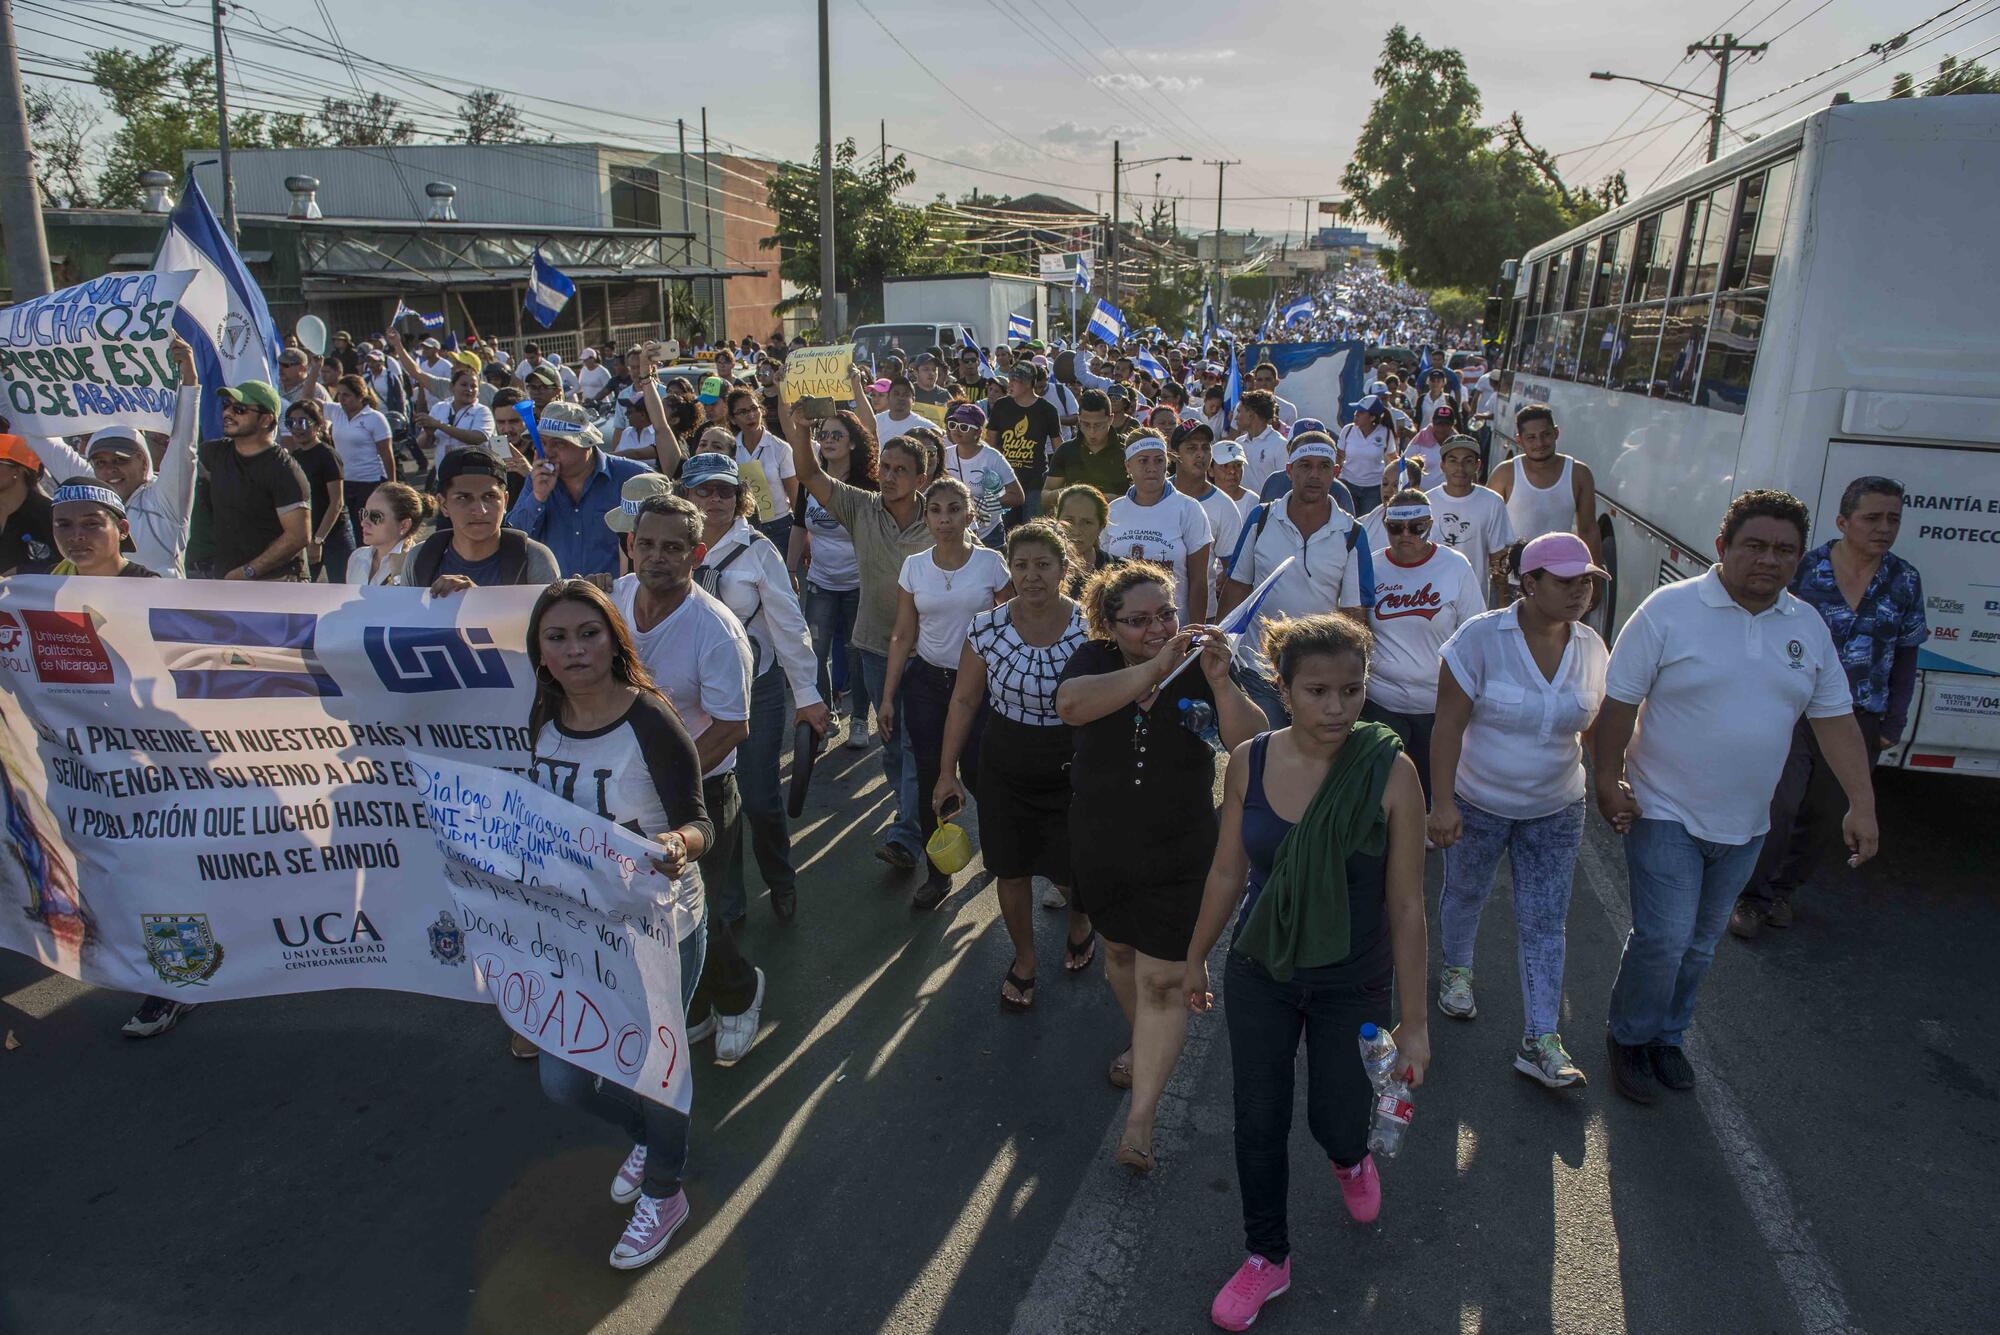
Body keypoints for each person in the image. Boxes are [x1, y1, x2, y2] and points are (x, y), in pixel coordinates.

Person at [1185, 614, 1429, 1332]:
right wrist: (1197, 952)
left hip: (1353, 981)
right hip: (1261, 966)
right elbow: (1230, 868)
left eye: (1352, 690)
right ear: (1283, 689)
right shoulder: (1251, 760)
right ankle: (1268, 1255)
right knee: (1257, 1117)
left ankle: (1351, 1157)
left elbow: (1410, 905)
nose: (1338, 708)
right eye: (1318, 690)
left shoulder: (1390, 770)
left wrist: (1413, 1024)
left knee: (1335, 1116)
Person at [1596, 490, 1879, 1105]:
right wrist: (1607, 779)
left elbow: (1834, 720)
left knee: (1700, 943)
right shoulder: (1668, 610)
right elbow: (1617, 703)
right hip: (1663, 807)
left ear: (1800, 560)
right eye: (1754, 545)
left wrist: (1863, 803)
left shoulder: (1807, 626)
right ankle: (1630, 1036)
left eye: (1784, 551)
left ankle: (1667, 1036)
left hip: (1747, 824)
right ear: (1722, 547)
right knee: (1665, 936)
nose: (1768, 560)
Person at [522, 578, 713, 1270]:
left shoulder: (649, 719)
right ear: (539, 650)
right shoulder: (542, 717)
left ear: (614, 640)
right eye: (557, 636)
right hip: (577, 928)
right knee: (564, 1078)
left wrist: (677, 846)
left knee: (653, 1067)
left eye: (589, 633)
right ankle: (649, 1138)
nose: (574, 649)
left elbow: (701, 820)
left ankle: (665, 1189)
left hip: (658, 925)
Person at [1056, 564, 1262, 1173]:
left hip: (1182, 851)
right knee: (1120, 959)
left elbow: (1255, 743)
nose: (1157, 628)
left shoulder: (1203, 662)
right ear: (1109, 624)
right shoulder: (1092, 660)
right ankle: (1146, 1042)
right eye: (1139, 621)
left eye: (1165, 615)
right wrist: (1153, 665)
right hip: (1102, 846)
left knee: (1164, 982)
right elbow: (1072, 707)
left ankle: (1140, 1120)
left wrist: (1223, 683)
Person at [1428, 535, 1609, 1088]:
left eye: (1587, 581)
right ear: (1528, 583)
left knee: (1545, 921)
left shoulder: (1593, 648)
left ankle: (1540, 1039)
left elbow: (1596, 729)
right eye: (1566, 580)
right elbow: (1448, 726)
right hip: (1477, 803)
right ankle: (1456, 971)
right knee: (1464, 891)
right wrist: (1440, 803)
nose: (1581, 590)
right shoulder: (1480, 639)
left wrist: (1611, 785)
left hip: (1556, 809)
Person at [608, 492, 770, 1067]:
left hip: (700, 792)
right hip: (629, 787)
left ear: (696, 554)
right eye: (646, 544)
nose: (656, 557)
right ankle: (695, 1006)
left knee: (702, 910)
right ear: (631, 546)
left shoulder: (716, 631)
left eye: (673, 548)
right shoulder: (617, 599)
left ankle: (741, 992)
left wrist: (667, 784)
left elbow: (732, 727)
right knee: (650, 909)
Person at [1730, 476, 1925, 939]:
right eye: (1871, 518)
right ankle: (1750, 898)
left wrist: (1893, 720)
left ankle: (1782, 891)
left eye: (1892, 519)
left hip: (1859, 718)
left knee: (1824, 816)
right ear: (1843, 522)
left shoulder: (1904, 580)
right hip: (1793, 711)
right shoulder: (1805, 570)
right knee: (1780, 805)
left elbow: (1906, 653)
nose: (1883, 528)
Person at [933, 520, 1097, 1006]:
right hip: (1003, 761)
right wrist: (945, 772)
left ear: (1064, 569)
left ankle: (1081, 919)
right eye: (1021, 565)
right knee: (1011, 867)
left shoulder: (1092, 628)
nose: (1031, 576)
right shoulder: (987, 627)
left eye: (1043, 565)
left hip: (1075, 763)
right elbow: (964, 702)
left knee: (1075, 867)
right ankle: (1025, 959)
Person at [784, 379, 937, 871]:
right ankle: (910, 815)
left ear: (921, 477)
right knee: (891, 744)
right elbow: (807, 472)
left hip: (929, 652)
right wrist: (801, 430)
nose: (889, 477)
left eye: (900, 471)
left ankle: (909, 835)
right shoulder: (860, 507)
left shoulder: (939, 521)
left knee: (912, 744)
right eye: (886, 468)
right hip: (874, 645)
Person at [678, 452, 827, 923]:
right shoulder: (671, 545)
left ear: (740, 497)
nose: (715, 499)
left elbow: (789, 625)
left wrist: (808, 696)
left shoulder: (759, 550)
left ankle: (781, 879)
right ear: (686, 496)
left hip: (753, 689)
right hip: (690, 695)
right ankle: (728, 902)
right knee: (711, 802)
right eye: (704, 490)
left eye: (725, 489)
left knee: (759, 799)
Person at [880, 477, 1012, 911]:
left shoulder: (992, 564)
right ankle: (938, 875)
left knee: (978, 772)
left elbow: (1012, 628)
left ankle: (997, 850)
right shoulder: (914, 567)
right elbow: (903, 634)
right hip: (927, 683)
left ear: (969, 515)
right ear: (926, 516)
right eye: (936, 510)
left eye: (954, 509)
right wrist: (888, 696)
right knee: (929, 773)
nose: (944, 519)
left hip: (982, 686)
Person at [1219, 435, 1371, 729]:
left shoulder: (1351, 533)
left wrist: (1353, 675)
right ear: (1289, 471)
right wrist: (1224, 647)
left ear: (1335, 473)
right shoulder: (1261, 518)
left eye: (1324, 466)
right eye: (1305, 465)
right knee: (1263, 755)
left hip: (1318, 674)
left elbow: (1353, 613)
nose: (1314, 475)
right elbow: (1237, 586)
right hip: (1258, 665)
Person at [30, 334, 200, 576]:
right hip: (96, 607)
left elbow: (185, 445)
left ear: (143, 460)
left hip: (159, 610)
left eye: (121, 460)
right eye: (100, 462)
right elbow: (38, 433)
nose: (110, 469)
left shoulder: (165, 499)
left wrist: (190, 382)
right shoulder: (92, 488)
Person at [1363, 488, 1486, 802]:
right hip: (1381, 701)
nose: (1406, 535)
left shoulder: (1455, 566)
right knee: (1385, 786)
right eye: (1395, 528)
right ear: (1385, 525)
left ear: (1430, 525)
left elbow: (1475, 633)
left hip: (1437, 705)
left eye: (1416, 527)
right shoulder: (1370, 566)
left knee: (1431, 786)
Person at [790, 408, 879, 747]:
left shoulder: (869, 485)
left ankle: (858, 719)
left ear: (853, 443)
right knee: (814, 651)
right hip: (820, 582)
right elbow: (800, 525)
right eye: (823, 434)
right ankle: (825, 717)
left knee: (856, 653)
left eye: (836, 435)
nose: (827, 440)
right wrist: (789, 568)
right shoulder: (810, 479)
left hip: (860, 584)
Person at [506, 402, 652, 579]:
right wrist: (538, 497)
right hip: (556, 598)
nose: (547, 452)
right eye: (542, 442)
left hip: (616, 598)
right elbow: (513, 539)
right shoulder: (538, 479)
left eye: (558, 444)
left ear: (586, 444)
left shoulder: (634, 476)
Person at [200, 380, 312, 582]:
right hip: (227, 581)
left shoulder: (285, 470)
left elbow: (299, 536)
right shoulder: (215, 454)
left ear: (266, 420)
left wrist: (248, 571)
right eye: (226, 405)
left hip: (277, 584)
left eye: (239, 409)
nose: (228, 413)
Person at [404, 452, 561, 593]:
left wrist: (479, 601)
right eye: (463, 498)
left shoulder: (533, 559)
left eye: (490, 497)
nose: (480, 510)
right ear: (443, 505)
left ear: (505, 501)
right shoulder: (420, 559)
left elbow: (550, 623)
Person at [1100, 431, 1213, 626]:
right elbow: (1103, 575)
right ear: (1128, 466)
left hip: (1172, 627)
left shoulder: (1188, 509)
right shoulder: (1113, 511)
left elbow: (1198, 582)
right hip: (1125, 628)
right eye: (1143, 461)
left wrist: (1194, 634)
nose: (1152, 468)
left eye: (1159, 461)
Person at [1490, 405, 1599, 562]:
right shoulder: (1504, 474)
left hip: (1560, 579)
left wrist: (1594, 581)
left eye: (1545, 434)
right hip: (1511, 580)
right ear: (1519, 440)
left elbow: (1589, 531)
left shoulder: (1579, 474)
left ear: (1556, 433)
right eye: (1531, 438)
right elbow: (1487, 527)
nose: (1540, 443)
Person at [1168, 422, 1242, 623]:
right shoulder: (1156, 494)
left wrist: (1220, 624)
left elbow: (1235, 573)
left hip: (1203, 617)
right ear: (1174, 454)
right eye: (1191, 448)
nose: (1200, 454)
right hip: (1153, 615)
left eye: (1205, 447)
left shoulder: (1224, 506)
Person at [1428, 436, 1514, 606]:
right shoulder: (1427, 502)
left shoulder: (1492, 502)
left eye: (1468, 461)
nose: (1460, 468)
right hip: (1432, 597)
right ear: (1442, 466)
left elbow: (1499, 557)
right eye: (1453, 461)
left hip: (1476, 599)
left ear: (1478, 465)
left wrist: (1503, 608)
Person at [279, 399, 350, 582]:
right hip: (307, 537)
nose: (296, 428)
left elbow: (337, 502)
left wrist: (318, 540)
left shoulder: (327, 455)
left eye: (302, 422)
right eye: (291, 423)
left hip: (333, 537)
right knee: (304, 592)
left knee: (340, 590)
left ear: (318, 425)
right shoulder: (294, 457)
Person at [985, 362, 1063, 527]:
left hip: (1035, 482)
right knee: (1004, 530)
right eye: (1010, 378)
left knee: (1032, 529)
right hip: (1005, 482)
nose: (1011, 383)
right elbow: (990, 441)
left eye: (1016, 380)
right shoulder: (1001, 405)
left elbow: (1058, 445)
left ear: (1029, 384)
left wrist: (1059, 476)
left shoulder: (1047, 410)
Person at [40, 479, 160, 577]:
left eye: (91, 524)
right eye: (64, 525)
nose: (76, 536)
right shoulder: (46, 582)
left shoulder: (151, 590)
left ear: (122, 530)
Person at [941, 401, 1022, 547]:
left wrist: (985, 502)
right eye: (953, 425)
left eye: (964, 427)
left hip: (989, 533)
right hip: (955, 531)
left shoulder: (993, 458)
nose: (956, 430)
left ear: (978, 432)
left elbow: (1017, 496)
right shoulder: (945, 455)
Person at [727, 386, 798, 547]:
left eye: (754, 409)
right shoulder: (730, 449)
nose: (751, 415)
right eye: (743, 412)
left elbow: (795, 497)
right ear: (732, 418)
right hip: (743, 526)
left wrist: (803, 536)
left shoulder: (780, 448)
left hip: (779, 527)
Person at [328, 375, 396, 537]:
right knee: (347, 531)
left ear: (360, 397)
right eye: (339, 394)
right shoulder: (336, 411)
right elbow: (307, 399)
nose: (341, 399)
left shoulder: (375, 418)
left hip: (369, 482)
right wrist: (315, 369)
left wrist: (392, 486)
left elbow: (387, 455)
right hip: (344, 482)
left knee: (366, 531)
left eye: (346, 395)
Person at [1043, 388, 1130, 504]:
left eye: (1098, 425)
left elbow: (1142, 494)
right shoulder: (1065, 450)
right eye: (1086, 424)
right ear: (1079, 419)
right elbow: (1045, 496)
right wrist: (1074, 493)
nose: (1092, 431)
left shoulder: (1127, 449)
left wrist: (1106, 499)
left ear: (1110, 419)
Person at [346, 481, 431, 585]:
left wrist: (398, 576)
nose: (364, 522)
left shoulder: (419, 565)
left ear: (404, 525)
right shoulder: (357, 557)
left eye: (376, 517)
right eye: (364, 513)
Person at [1334, 395, 1399, 517]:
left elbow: (1392, 459)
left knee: (1366, 522)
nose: (1356, 414)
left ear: (1372, 417)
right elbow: (1339, 456)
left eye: (1361, 412)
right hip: (1348, 483)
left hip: (1374, 488)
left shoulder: (1385, 433)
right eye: (1356, 410)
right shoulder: (1347, 430)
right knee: (1347, 521)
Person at [1233, 391, 1289, 497]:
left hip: (1268, 510)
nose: (1236, 417)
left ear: (1251, 414)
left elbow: (1284, 484)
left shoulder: (1280, 445)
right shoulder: (1238, 443)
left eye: (1239, 412)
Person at [1248, 362, 1298, 430]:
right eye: (1260, 380)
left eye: (1268, 379)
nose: (1263, 383)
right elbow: (1234, 436)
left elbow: (1290, 437)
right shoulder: (1244, 407)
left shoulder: (1289, 409)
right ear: (1255, 382)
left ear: (1276, 382)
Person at [876, 377, 923, 444]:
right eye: (896, 394)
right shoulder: (875, 422)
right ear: (888, 398)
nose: (900, 398)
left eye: (905, 395)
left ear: (913, 400)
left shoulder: (924, 427)